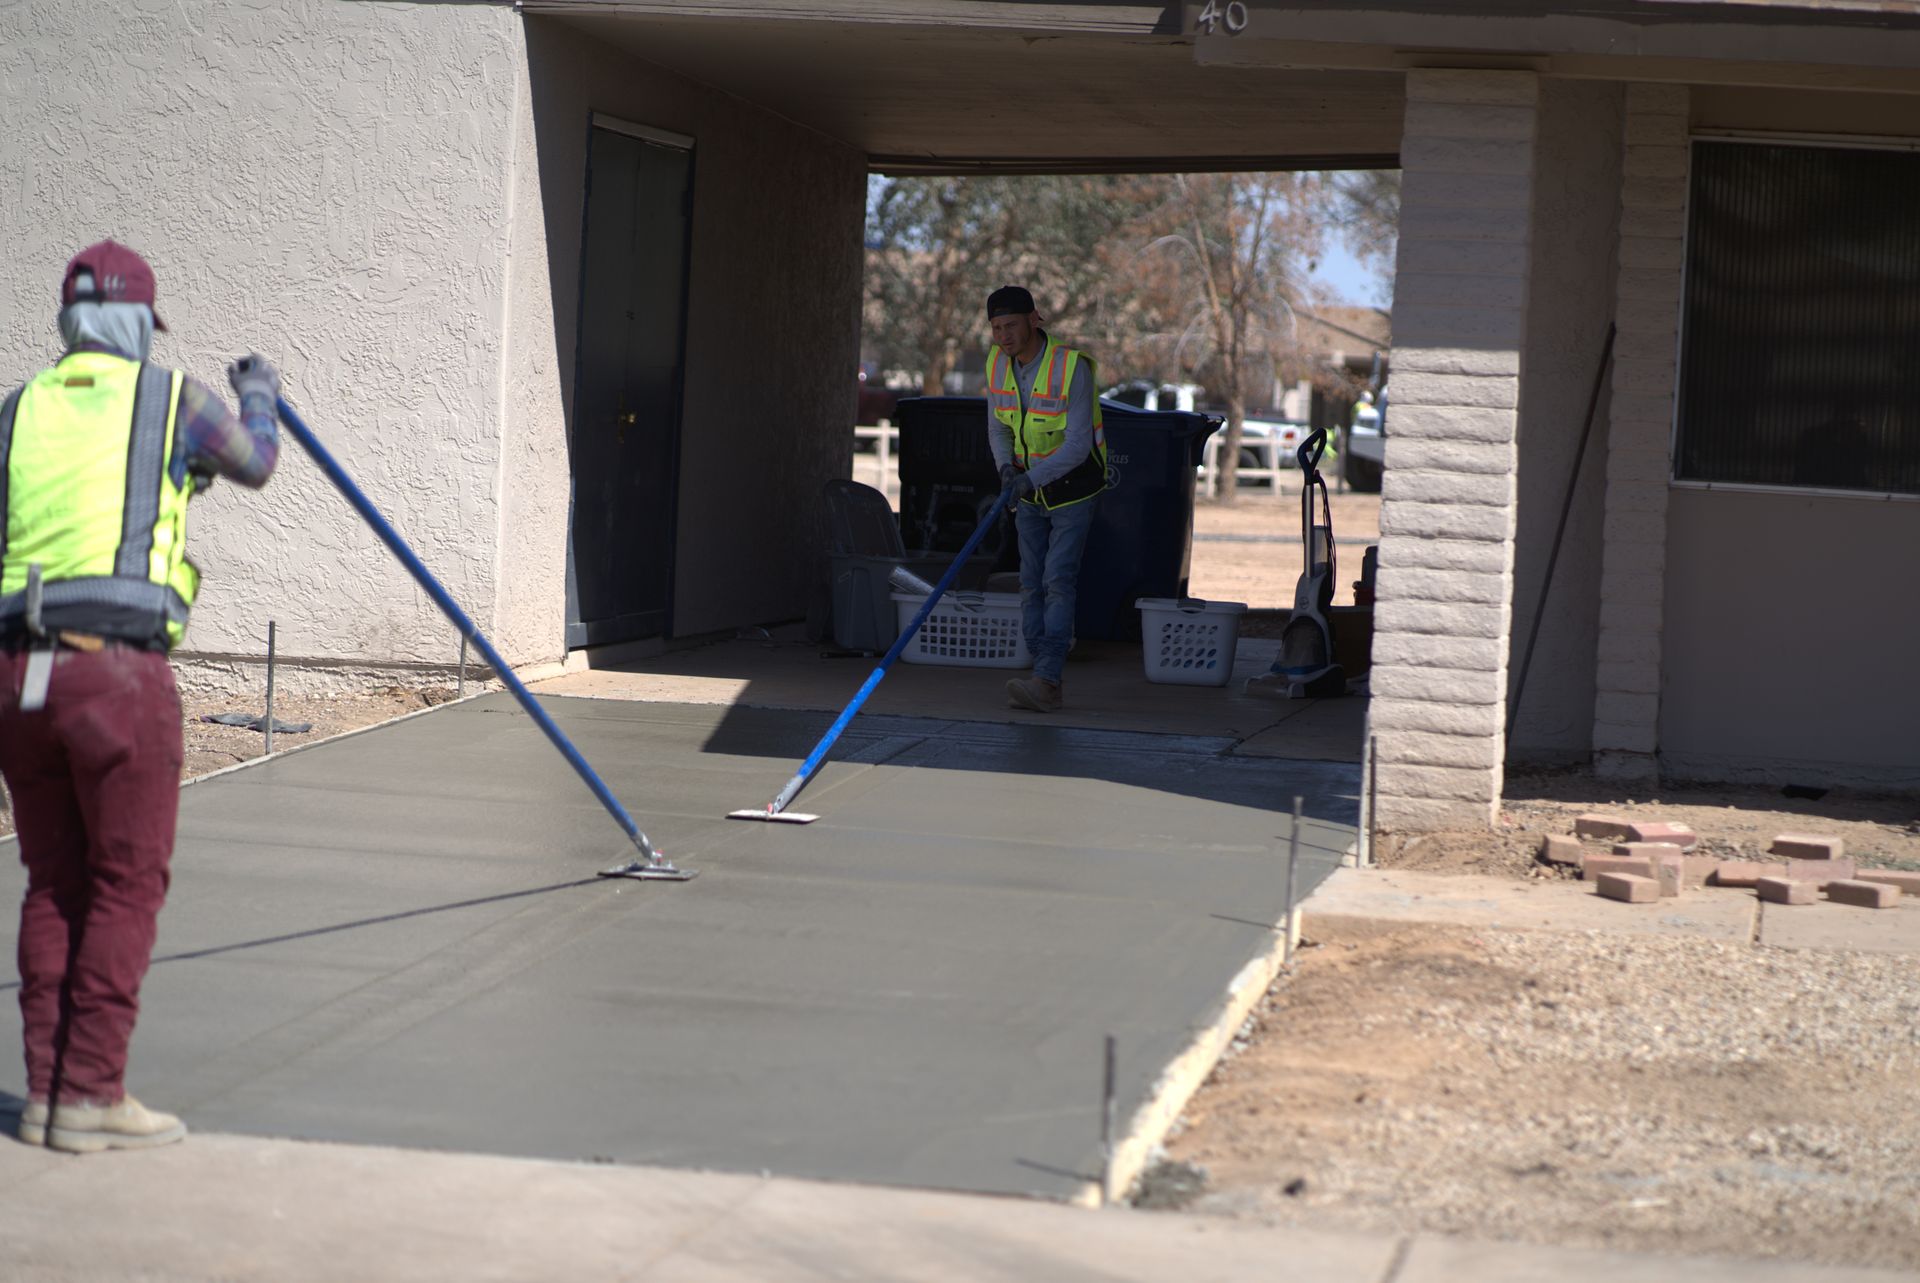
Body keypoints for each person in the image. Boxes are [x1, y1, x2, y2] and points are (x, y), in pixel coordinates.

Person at [1, 240, 281, 1152]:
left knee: (54, 881)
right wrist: (258, 395)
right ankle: (91, 1095)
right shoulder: (172, 399)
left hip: (18, 675)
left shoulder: (15, 413)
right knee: (126, 882)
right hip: (115, 675)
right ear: (135, 325)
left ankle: (48, 1095)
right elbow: (254, 461)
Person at [983, 285, 1108, 713]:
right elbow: (998, 427)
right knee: (1029, 582)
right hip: (1027, 491)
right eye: (996, 328)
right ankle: (1043, 671)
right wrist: (1006, 469)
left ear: (1034, 320)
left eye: (1011, 325)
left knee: (1057, 580)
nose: (1003, 336)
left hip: (1073, 490)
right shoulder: (997, 366)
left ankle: (1047, 676)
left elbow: (1076, 446)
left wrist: (1027, 479)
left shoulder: (1071, 367)